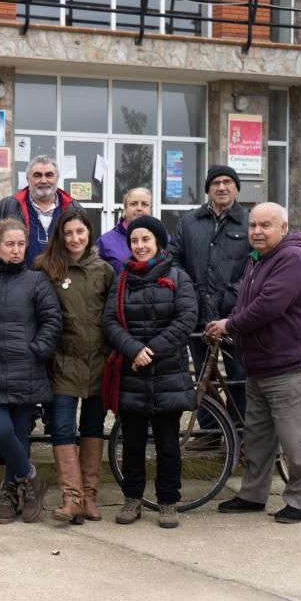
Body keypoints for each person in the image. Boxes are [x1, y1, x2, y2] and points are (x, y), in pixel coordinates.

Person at [205, 203, 301, 524]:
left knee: (295, 438)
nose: (257, 231)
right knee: (258, 437)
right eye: (253, 225)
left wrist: (230, 324)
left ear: (283, 228)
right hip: (261, 363)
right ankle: (252, 494)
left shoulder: (292, 258)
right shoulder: (259, 258)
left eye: (266, 225)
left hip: (291, 363)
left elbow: (268, 305)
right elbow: (251, 303)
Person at [0, 218, 60, 523]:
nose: (16, 250)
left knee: (18, 434)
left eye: (20, 244)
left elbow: (52, 320)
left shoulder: (37, 282)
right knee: (0, 431)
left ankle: (11, 492)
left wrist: (37, 351)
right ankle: (31, 478)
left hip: (26, 370)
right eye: (9, 244)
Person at [103, 216, 197, 529]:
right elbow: (110, 321)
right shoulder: (122, 278)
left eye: (146, 240)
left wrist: (151, 350)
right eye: (134, 241)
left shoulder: (178, 277)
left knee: (168, 444)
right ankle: (133, 499)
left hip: (167, 372)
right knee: (131, 444)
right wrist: (133, 349)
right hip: (133, 373)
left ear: (158, 242)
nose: (140, 246)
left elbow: (186, 319)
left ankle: (168, 502)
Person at [33, 204, 115, 523]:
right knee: (63, 427)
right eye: (68, 232)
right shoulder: (45, 266)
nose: (74, 238)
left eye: (80, 231)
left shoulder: (104, 270)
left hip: (98, 362)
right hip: (62, 363)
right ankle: (73, 497)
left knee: (93, 427)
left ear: (89, 234)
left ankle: (90, 496)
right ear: (60, 235)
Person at [169, 165, 250, 415]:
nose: (222, 187)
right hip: (197, 315)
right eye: (215, 183)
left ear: (236, 188)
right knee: (204, 378)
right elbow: (174, 259)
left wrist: (232, 295)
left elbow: (255, 265)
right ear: (208, 189)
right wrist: (189, 292)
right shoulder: (190, 222)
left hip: (234, 316)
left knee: (239, 376)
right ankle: (211, 433)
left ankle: (239, 429)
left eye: (227, 182)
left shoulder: (250, 222)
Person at [0, 155, 73, 267]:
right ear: (27, 179)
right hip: (20, 280)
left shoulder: (72, 208)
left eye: (49, 175)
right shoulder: (8, 206)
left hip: (62, 280)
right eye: (37, 175)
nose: (44, 180)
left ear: (57, 177)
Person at [96, 187, 151, 275]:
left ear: (151, 209)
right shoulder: (105, 241)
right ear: (125, 208)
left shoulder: (163, 239)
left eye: (144, 204)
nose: (139, 208)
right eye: (133, 204)